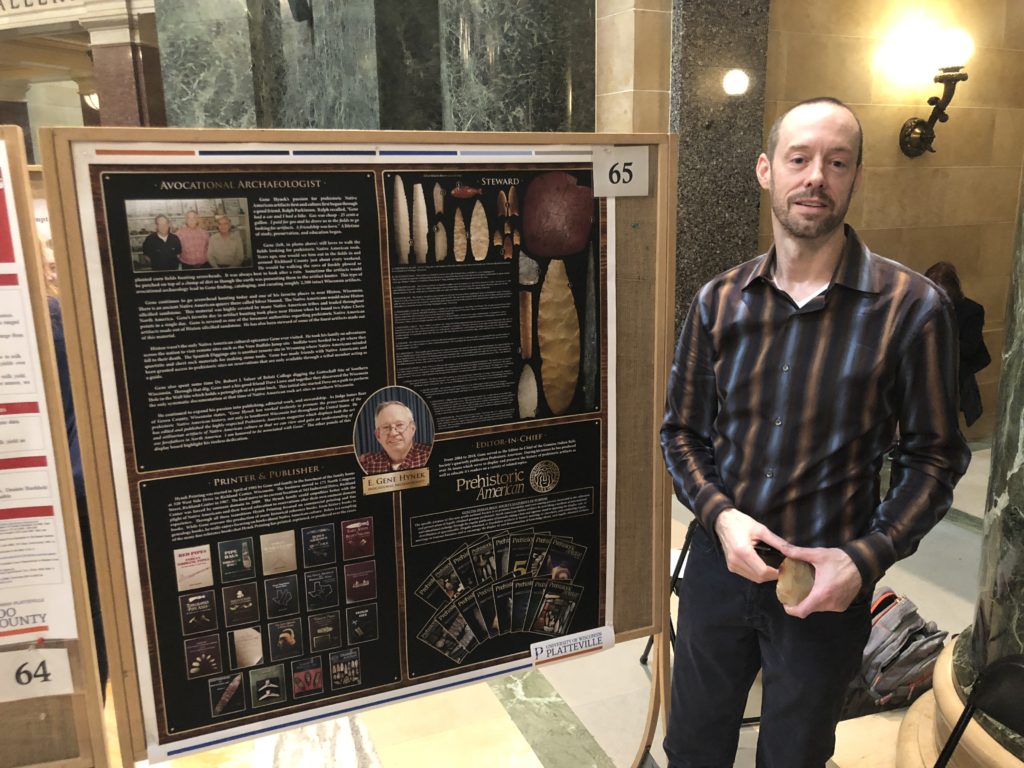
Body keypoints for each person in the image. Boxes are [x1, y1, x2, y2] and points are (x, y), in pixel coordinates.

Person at [660, 97, 970, 767]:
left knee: (796, 756)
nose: (815, 178)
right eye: (799, 159)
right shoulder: (718, 301)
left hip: (828, 583)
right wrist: (719, 517)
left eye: (836, 162)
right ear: (766, 170)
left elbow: (936, 457)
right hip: (721, 568)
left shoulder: (911, 309)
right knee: (692, 747)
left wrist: (866, 558)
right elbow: (681, 432)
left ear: (856, 177)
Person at [924, 261, 990, 426]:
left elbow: (969, 347)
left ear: (951, 288)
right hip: (925, 371)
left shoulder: (971, 310)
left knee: (947, 419)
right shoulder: (924, 305)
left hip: (954, 372)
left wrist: (938, 337)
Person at [358, 400, 431, 473]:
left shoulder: (430, 454)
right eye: (386, 427)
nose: (393, 433)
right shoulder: (365, 465)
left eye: (399, 425)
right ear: (378, 435)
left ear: (412, 429)